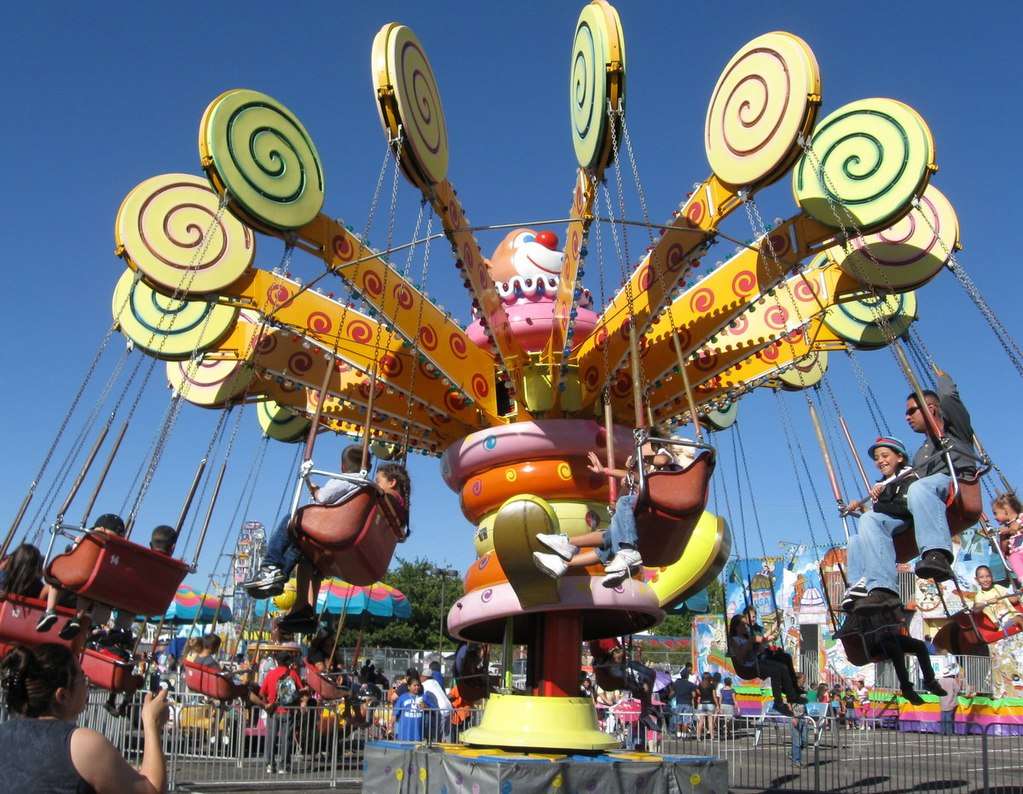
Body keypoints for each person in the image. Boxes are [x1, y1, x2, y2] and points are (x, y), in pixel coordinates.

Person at [848, 370, 978, 613]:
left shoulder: (953, 430)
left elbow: (949, 399)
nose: (907, 417)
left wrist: (943, 379)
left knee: (918, 487)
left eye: (911, 411)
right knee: (868, 521)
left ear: (931, 407)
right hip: (923, 502)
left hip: (956, 481)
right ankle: (881, 589)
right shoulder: (921, 454)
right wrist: (867, 507)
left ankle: (937, 553)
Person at [0, 643, 170, 793]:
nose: (87, 682)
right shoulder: (81, 744)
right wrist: (151, 722)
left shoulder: (4, 734)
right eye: (82, 676)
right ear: (63, 695)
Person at [532, 427, 687, 588]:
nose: (637, 448)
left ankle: (627, 551)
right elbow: (634, 477)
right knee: (609, 537)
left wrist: (641, 457)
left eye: (640, 445)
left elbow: (662, 460)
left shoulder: (663, 454)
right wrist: (604, 470)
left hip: (664, 503)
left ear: (650, 443)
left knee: (625, 502)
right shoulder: (648, 467)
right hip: (653, 506)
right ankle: (564, 559)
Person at [244, 445, 371, 600]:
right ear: (368, 466)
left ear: (342, 466)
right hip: (347, 532)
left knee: (291, 520)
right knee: (298, 544)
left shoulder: (345, 480)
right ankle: (280, 576)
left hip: (329, 527)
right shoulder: (367, 486)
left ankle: (270, 565)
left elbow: (323, 497)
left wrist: (315, 491)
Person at [842, 437, 919, 612]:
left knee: (868, 519)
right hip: (887, 523)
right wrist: (862, 506)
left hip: (905, 520)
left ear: (899, 457)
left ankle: (883, 583)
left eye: (885, 455)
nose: (880, 461)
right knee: (855, 540)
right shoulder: (881, 484)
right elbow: (878, 514)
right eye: (877, 458)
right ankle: (856, 586)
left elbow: (901, 507)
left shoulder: (908, 476)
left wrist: (883, 495)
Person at [36, 513, 126, 638]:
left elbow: (73, 560)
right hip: (93, 589)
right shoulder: (119, 552)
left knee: (55, 575)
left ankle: (50, 611)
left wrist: (77, 545)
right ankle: (76, 619)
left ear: (100, 529)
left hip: (73, 581)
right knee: (88, 588)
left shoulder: (90, 541)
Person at [727, 612, 803, 716]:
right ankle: (779, 702)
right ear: (736, 627)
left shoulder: (747, 637)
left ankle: (788, 697)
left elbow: (761, 640)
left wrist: (771, 632)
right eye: (743, 624)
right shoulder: (733, 640)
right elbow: (741, 656)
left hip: (753, 665)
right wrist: (752, 642)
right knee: (776, 670)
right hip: (745, 669)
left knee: (782, 667)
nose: (746, 626)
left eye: (746, 624)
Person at [588, 640, 660, 733]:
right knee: (642, 686)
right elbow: (596, 650)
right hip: (609, 679)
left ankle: (646, 710)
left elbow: (622, 656)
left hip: (619, 678)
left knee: (650, 675)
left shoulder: (615, 646)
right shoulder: (603, 654)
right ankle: (646, 708)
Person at [259, 651, 306, 774]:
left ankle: (270, 765)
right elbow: (300, 692)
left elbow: (261, 693)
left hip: (273, 710)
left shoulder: (270, 674)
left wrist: (267, 705)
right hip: (288, 711)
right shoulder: (293, 674)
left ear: (277, 661)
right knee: (287, 739)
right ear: (288, 662)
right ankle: (284, 766)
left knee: (271, 738)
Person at [972, 565, 1023, 635]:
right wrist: (987, 602)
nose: (985, 580)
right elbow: (976, 609)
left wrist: (1017, 595)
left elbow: (1013, 600)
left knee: (1018, 617)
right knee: (1018, 619)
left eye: (988, 576)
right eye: (981, 577)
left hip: (1014, 615)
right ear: (977, 580)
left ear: (992, 577)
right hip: (1002, 623)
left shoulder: (997, 587)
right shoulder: (979, 596)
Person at [392, 673, 438, 742]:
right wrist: (391, 727)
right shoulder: (402, 697)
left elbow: (435, 709)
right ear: (409, 687)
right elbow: (395, 714)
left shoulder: (424, 697)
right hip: (404, 735)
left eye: (418, 685)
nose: (417, 687)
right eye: (414, 685)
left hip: (418, 735)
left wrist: (426, 706)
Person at [992, 493, 1023, 584]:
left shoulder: (1021, 518)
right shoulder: (1005, 529)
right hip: (1018, 554)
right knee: (1013, 557)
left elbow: (1015, 529)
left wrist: (1013, 529)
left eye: (995, 513)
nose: (994, 517)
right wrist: (1003, 537)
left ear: (1005, 510)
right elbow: (1004, 549)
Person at [668, 666, 697, 739]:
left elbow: (672, 693)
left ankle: (678, 734)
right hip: (688, 703)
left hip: (679, 703)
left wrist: (669, 698)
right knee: (686, 720)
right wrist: (689, 697)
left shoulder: (676, 683)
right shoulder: (691, 684)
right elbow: (694, 695)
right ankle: (684, 735)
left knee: (678, 719)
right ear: (687, 676)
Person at [938, 663, 962, 735]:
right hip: (950, 701)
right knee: (949, 718)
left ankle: (942, 732)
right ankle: (949, 732)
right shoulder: (952, 680)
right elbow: (957, 690)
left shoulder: (940, 680)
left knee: (943, 717)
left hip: (942, 701)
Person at [695, 671, 719, 740]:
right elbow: (714, 696)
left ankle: (698, 737)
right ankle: (712, 737)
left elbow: (698, 692)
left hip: (702, 704)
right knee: (710, 721)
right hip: (710, 704)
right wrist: (717, 705)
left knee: (701, 721)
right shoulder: (712, 686)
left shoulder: (700, 685)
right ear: (709, 678)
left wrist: (701, 694)